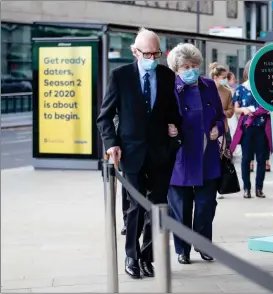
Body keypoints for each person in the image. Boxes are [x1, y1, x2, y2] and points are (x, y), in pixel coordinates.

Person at [97, 27, 182, 279]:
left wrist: (175, 128)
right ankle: (131, 256)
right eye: (148, 54)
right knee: (135, 206)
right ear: (135, 51)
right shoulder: (120, 76)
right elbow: (105, 116)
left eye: (157, 54)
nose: (153, 59)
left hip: (161, 153)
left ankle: (148, 257)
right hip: (130, 154)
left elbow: (172, 112)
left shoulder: (167, 76)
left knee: (156, 206)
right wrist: (111, 143)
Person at [166, 43, 226, 264]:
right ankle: (182, 249)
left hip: (206, 156)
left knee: (206, 205)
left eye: (193, 65)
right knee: (180, 208)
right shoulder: (168, 86)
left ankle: (203, 245)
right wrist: (168, 127)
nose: (190, 70)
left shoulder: (209, 85)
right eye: (185, 66)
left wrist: (217, 128)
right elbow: (158, 118)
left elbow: (221, 117)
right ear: (176, 68)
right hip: (180, 157)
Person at [230, 60, 272, 199]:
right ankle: (246, 188)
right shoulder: (240, 89)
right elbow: (235, 109)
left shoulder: (263, 89)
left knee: (261, 159)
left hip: (261, 128)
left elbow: (269, 106)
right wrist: (244, 109)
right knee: (246, 159)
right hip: (247, 128)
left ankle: (259, 188)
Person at [209, 62, 234, 148]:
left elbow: (231, 112)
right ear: (215, 77)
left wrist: (220, 112)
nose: (226, 79)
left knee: (225, 158)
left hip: (223, 128)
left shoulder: (227, 92)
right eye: (223, 78)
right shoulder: (206, 90)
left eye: (226, 77)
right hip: (208, 128)